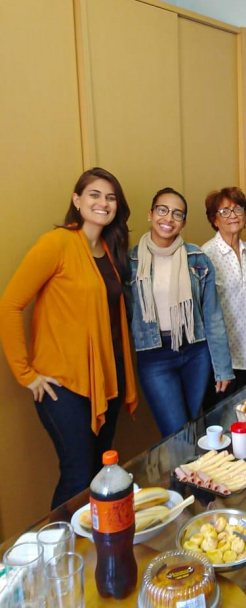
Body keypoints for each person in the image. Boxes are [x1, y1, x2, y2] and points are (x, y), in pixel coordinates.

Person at [0, 167, 137, 508]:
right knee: (78, 476)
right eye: (94, 194)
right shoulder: (58, 242)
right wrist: (26, 373)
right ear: (77, 200)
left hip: (107, 380)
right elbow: (9, 306)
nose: (103, 203)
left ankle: (92, 552)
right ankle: (59, 555)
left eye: (110, 197)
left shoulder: (110, 248)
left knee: (98, 474)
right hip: (64, 385)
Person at [129, 187, 233, 437]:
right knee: (177, 432)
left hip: (195, 351)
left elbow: (213, 316)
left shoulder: (197, 259)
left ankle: (191, 476)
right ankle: (181, 475)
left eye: (177, 214)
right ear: (150, 214)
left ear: (183, 222)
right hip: (155, 356)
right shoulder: (130, 262)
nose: (169, 218)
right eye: (162, 210)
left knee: (197, 426)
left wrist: (222, 367)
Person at [202, 187, 246, 391]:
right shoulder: (205, 256)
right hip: (224, 361)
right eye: (224, 211)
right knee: (224, 420)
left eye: (238, 209)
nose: (233, 216)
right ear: (214, 219)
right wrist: (219, 365)